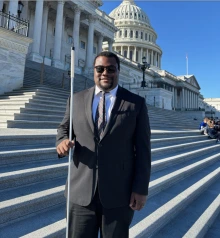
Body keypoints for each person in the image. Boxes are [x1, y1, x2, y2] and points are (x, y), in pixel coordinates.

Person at [56, 51, 151, 238]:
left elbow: (143, 150)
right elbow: (64, 129)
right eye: (100, 69)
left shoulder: (135, 103)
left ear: (118, 71)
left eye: (110, 69)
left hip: (119, 193)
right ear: (94, 71)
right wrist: (61, 142)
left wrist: (140, 189)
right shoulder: (76, 99)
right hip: (80, 191)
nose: (105, 73)